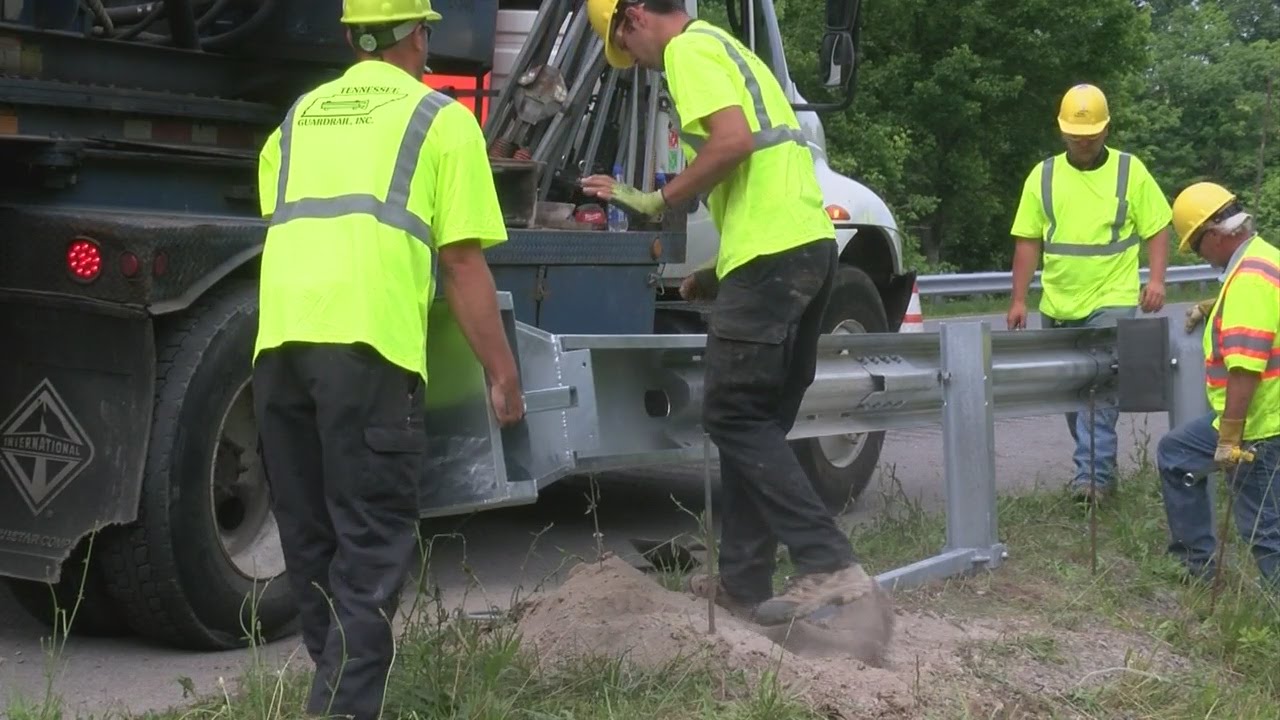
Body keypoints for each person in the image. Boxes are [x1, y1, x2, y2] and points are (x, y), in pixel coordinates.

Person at [251, 1, 525, 717]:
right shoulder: (441, 121)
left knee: (311, 545)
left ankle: (334, 690)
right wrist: (502, 374)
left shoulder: (298, 117)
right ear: (419, 34)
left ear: (349, 38)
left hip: (278, 350)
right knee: (369, 551)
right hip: (368, 354)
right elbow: (462, 265)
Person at [582, 0, 885, 628]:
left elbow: (733, 144)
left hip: (774, 258)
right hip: (808, 249)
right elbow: (763, 179)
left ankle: (827, 562)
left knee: (733, 413)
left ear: (634, 17)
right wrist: (714, 275)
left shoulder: (686, 51)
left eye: (625, 49)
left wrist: (654, 198)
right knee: (759, 425)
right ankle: (746, 583)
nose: (636, 65)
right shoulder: (730, 48)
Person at [1006, 83, 1173, 504]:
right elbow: (1027, 241)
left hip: (1112, 299)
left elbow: (1156, 227)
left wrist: (1155, 280)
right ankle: (1101, 471)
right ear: (1062, 131)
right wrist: (1019, 298)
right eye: (1077, 135)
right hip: (1060, 303)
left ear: (1106, 130)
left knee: (1098, 390)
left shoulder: (1129, 171)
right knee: (1071, 398)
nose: (1084, 142)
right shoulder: (1043, 176)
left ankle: (1091, 481)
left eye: (1092, 135)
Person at [1158, 182, 1279, 587]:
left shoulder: (1247, 280)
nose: (1199, 256)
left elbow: (1246, 368)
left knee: (1266, 532)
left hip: (1261, 424)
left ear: (1214, 235)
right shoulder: (1266, 259)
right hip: (1267, 418)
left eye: (1195, 245)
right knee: (1176, 453)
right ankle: (1197, 568)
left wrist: (1230, 437)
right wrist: (1215, 307)